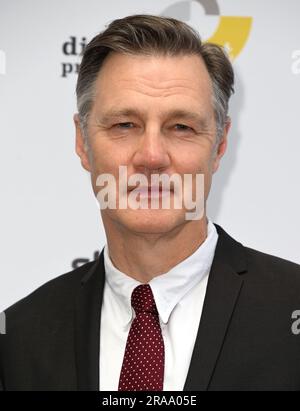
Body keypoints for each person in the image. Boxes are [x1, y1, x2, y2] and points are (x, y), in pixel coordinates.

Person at [1, 14, 300, 392]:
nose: (152, 156)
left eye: (181, 127)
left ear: (220, 145)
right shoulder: (19, 338)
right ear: (82, 142)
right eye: (124, 125)